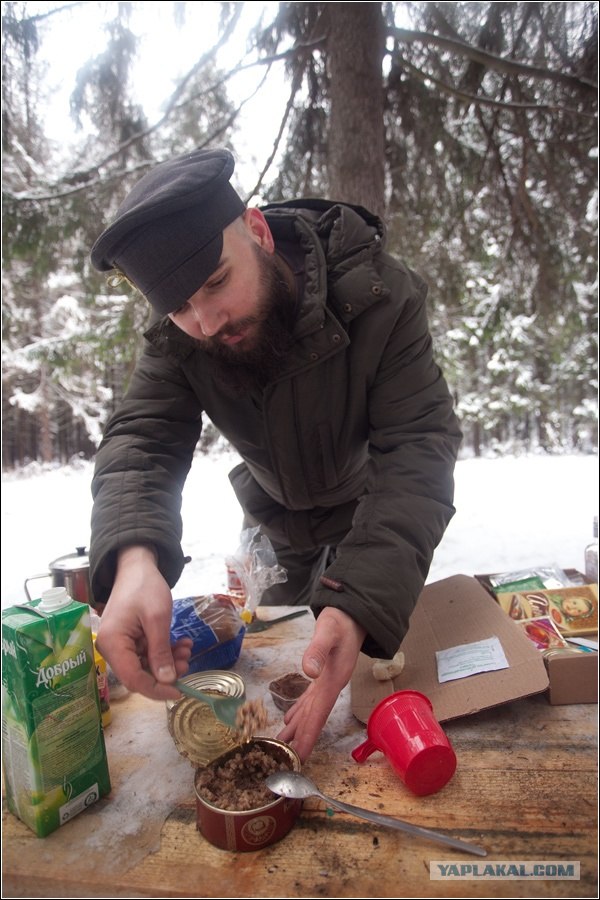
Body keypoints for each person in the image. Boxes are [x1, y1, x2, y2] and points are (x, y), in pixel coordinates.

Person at [89, 147, 462, 761]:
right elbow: (142, 439)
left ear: (257, 230)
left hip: (370, 513)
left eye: (215, 283)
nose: (206, 323)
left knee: (366, 662)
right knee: (278, 656)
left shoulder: (379, 296)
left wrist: (361, 601)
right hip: (274, 519)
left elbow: (418, 447)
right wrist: (133, 558)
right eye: (179, 306)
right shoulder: (179, 341)